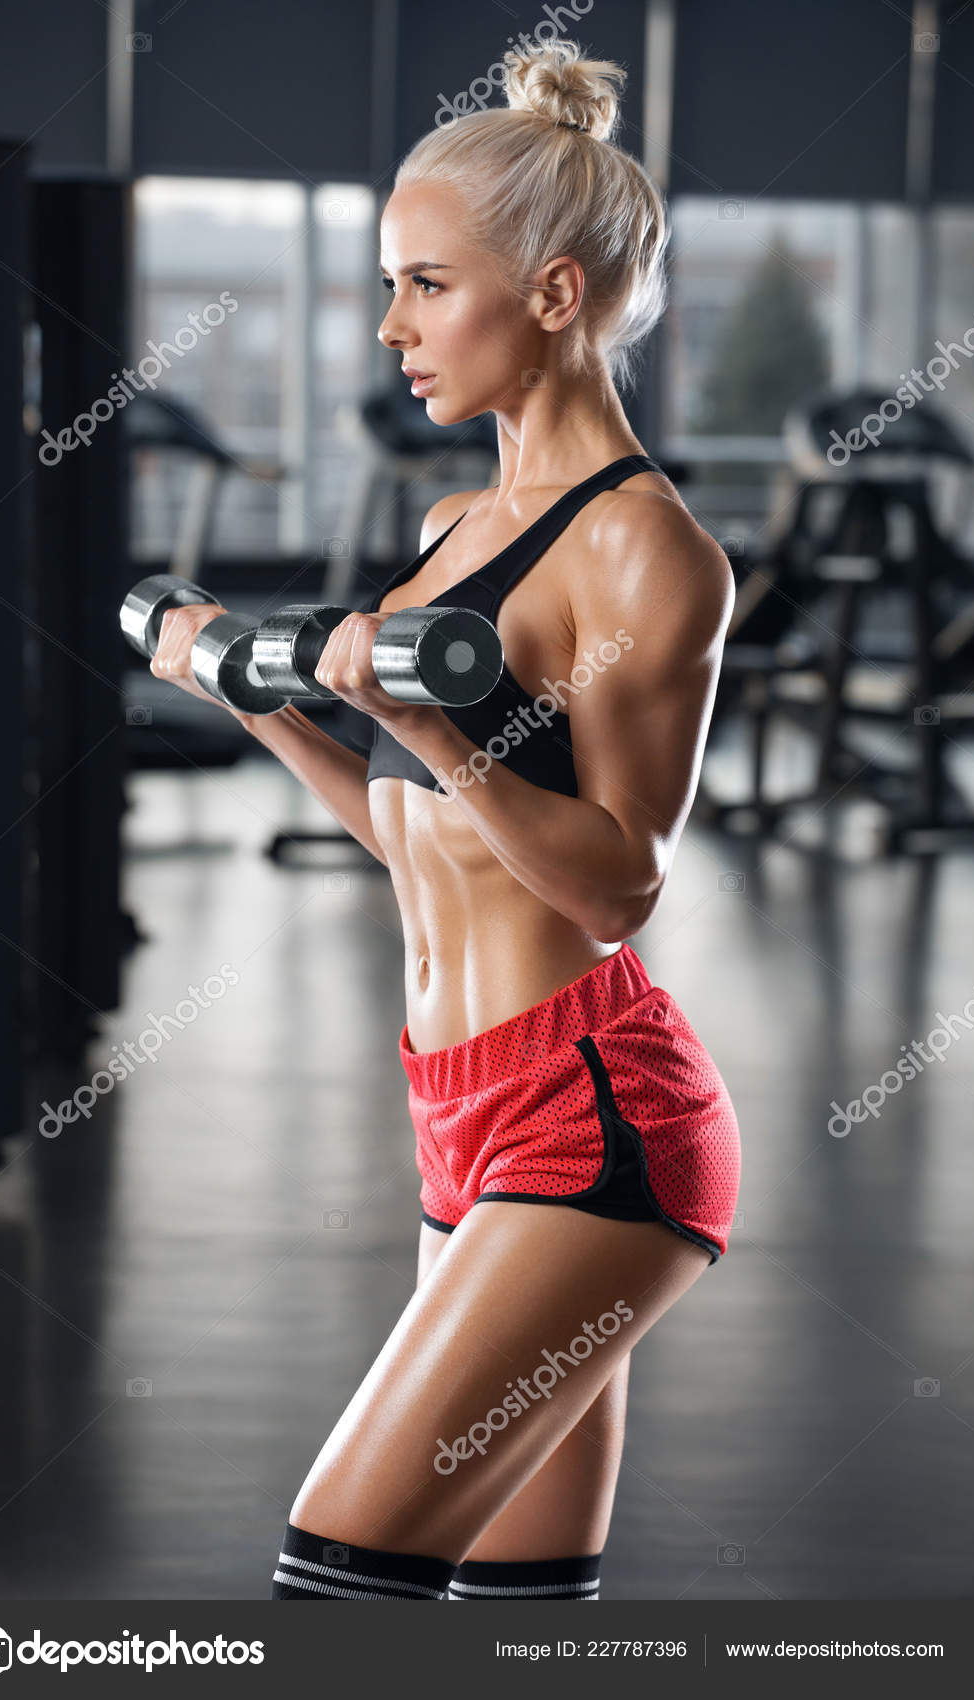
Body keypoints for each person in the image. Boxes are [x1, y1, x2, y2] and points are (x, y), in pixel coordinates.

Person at [150, 38, 741, 1603]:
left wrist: (425, 721)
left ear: (552, 297)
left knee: (335, 1577)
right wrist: (266, 704)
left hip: (590, 1118)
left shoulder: (646, 554)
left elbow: (619, 883)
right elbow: (421, 832)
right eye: (389, 285)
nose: (394, 326)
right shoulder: (449, 530)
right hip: (460, 1115)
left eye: (427, 284)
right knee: (513, 1621)